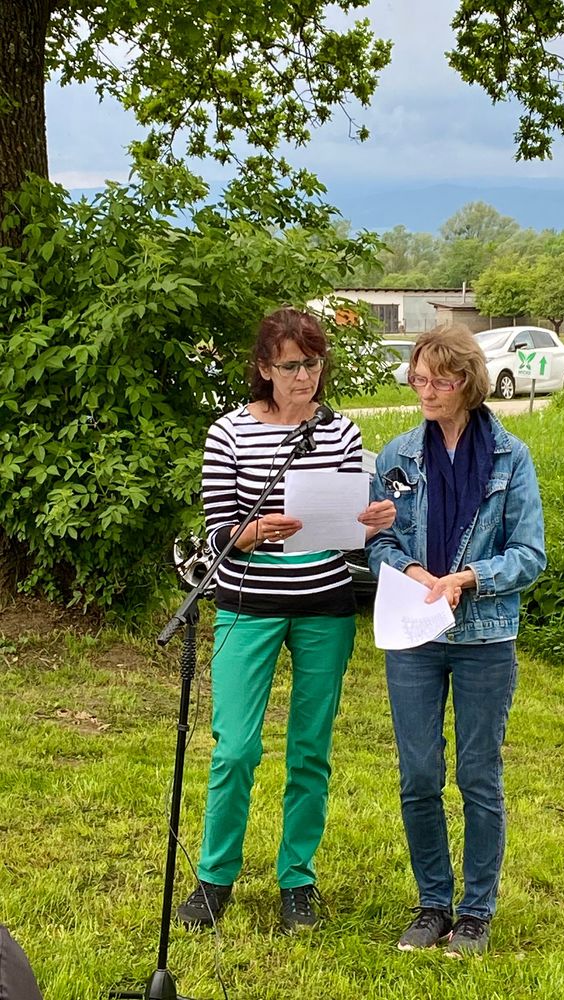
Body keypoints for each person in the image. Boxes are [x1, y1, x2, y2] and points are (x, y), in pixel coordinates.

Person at [177, 307, 395, 933]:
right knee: (235, 748)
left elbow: (350, 527)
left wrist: (372, 522)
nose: (305, 377)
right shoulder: (229, 433)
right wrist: (252, 532)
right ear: (264, 369)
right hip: (248, 604)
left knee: (310, 750)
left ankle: (297, 879)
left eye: (313, 364)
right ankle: (215, 877)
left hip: (325, 603)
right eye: (292, 366)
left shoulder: (341, 431)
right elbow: (216, 530)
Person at [367, 324, 546, 957]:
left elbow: (530, 554)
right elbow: (379, 541)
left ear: (467, 383)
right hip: (414, 631)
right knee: (418, 773)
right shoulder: (396, 457)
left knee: (478, 775)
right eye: (418, 379)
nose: (425, 391)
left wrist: (468, 578)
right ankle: (432, 904)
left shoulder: (510, 457)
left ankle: (474, 913)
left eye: (438, 382)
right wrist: (414, 571)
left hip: (484, 636)